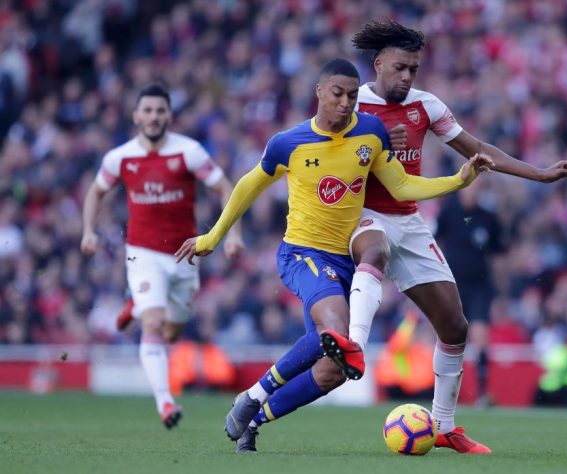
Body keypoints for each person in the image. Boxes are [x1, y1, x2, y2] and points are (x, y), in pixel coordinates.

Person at [174, 58, 492, 452]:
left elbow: (403, 187)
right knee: (336, 329)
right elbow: (246, 187)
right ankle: (253, 396)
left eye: (353, 96)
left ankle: (254, 421)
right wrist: (212, 236)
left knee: (333, 372)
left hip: (344, 259)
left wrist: (457, 181)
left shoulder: (370, 134)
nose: (345, 103)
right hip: (303, 254)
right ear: (320, 92)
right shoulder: (288, 143)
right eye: (338, 94)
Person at [319, 19, 567, 454]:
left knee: (455, 326)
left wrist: (539, 174)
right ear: (380, 63)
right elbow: (321, 158)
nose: (408, 77)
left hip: (409, 220)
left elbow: (477, 149)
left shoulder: (426, 106)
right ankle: (354, 344)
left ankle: (443, 425)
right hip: (362, 213)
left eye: (415, 70)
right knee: (374, 250)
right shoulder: (352, 105)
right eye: (401, 68)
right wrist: (377, 141)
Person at [80, 83, 243, 429]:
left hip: (185, 255)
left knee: (171, 333)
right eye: (147, 111)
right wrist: (88, 231)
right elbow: (95, 192)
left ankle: (135, 305)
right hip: (142, 253)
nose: (153, 117)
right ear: (136, 115)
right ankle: (165, 402)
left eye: (160, 111)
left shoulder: (189, 152)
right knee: (152, 326)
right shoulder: (121, 157)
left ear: (169, 115)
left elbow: (226, 188)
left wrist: (233, 234)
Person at [436, 180, 506, 407]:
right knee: (449, 338)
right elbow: (435, 243)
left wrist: (501, 292)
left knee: (480, 337)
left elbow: (498, 254)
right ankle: (443, 395)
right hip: (452, 285)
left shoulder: (489, 218)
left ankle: (483, 394)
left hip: (480, 286)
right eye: (470, 187)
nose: (474, 192)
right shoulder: (448, 213)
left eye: (478, 188)